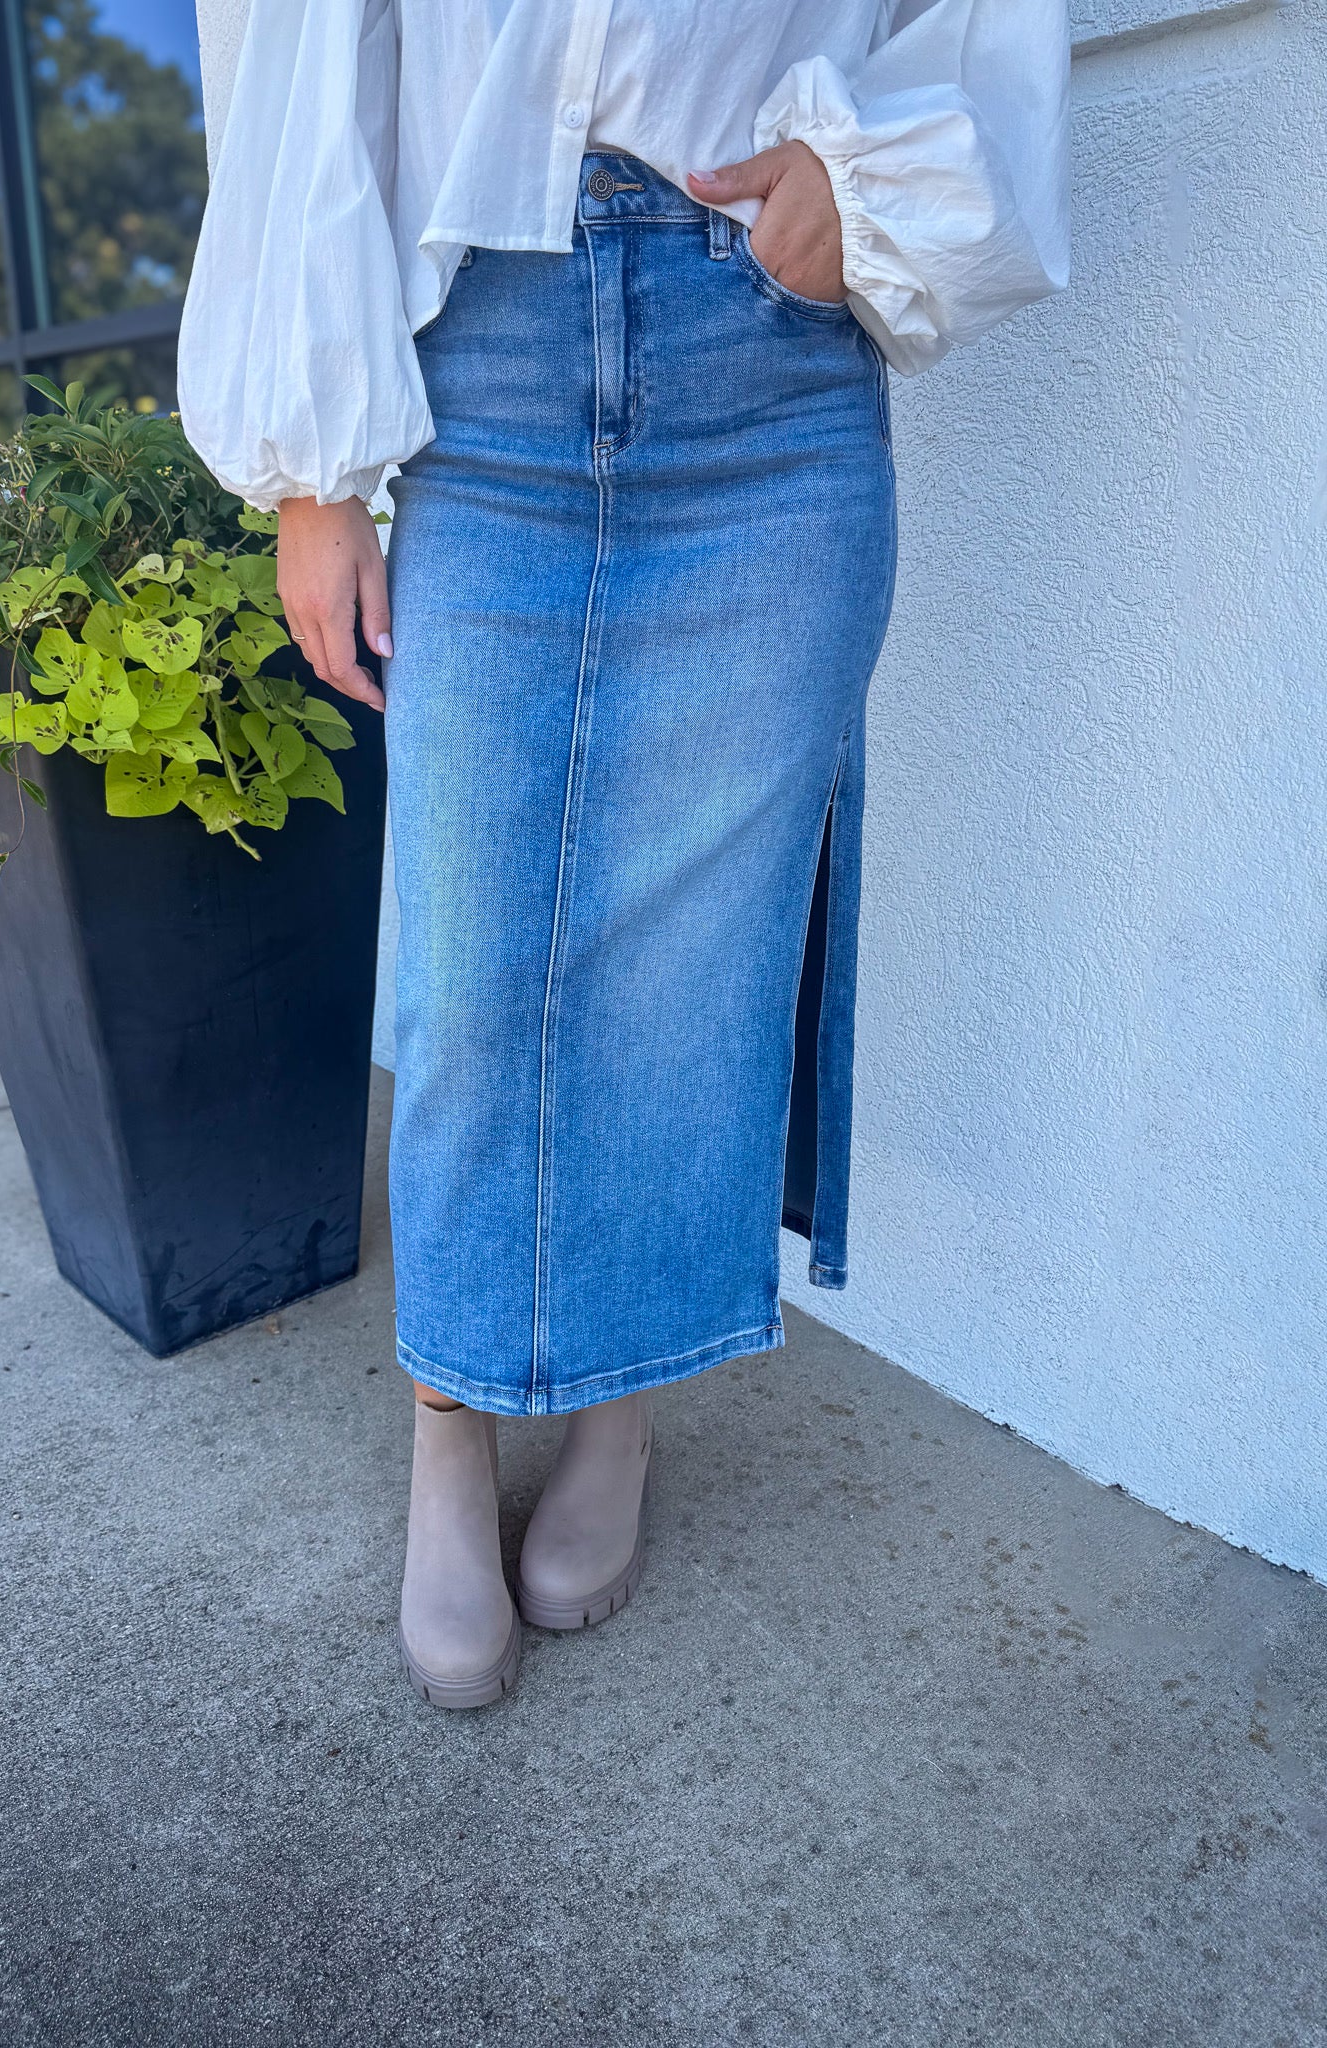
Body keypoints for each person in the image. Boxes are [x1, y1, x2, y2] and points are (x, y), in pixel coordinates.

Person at [179, 0, 1070, 1709]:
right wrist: (313, 472)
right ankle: (449, 1431)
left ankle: (619, 1413)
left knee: (692, 963)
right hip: (483, 350)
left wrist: (861, 186)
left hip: (772, 364)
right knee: (469, 976)